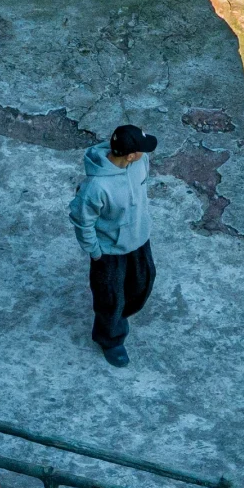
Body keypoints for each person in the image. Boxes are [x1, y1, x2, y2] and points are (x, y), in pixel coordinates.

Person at [68, 124, 158, 368]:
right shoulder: (95, 188)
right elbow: (82, 221)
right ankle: (110, 339)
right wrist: (95, 252)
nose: (144, 152)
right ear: (130, 155)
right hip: (109, 251)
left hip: (139, 240)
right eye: (140, 149)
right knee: (109, 298)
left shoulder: (140, 162)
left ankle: (119, 317)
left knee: (142, 284)